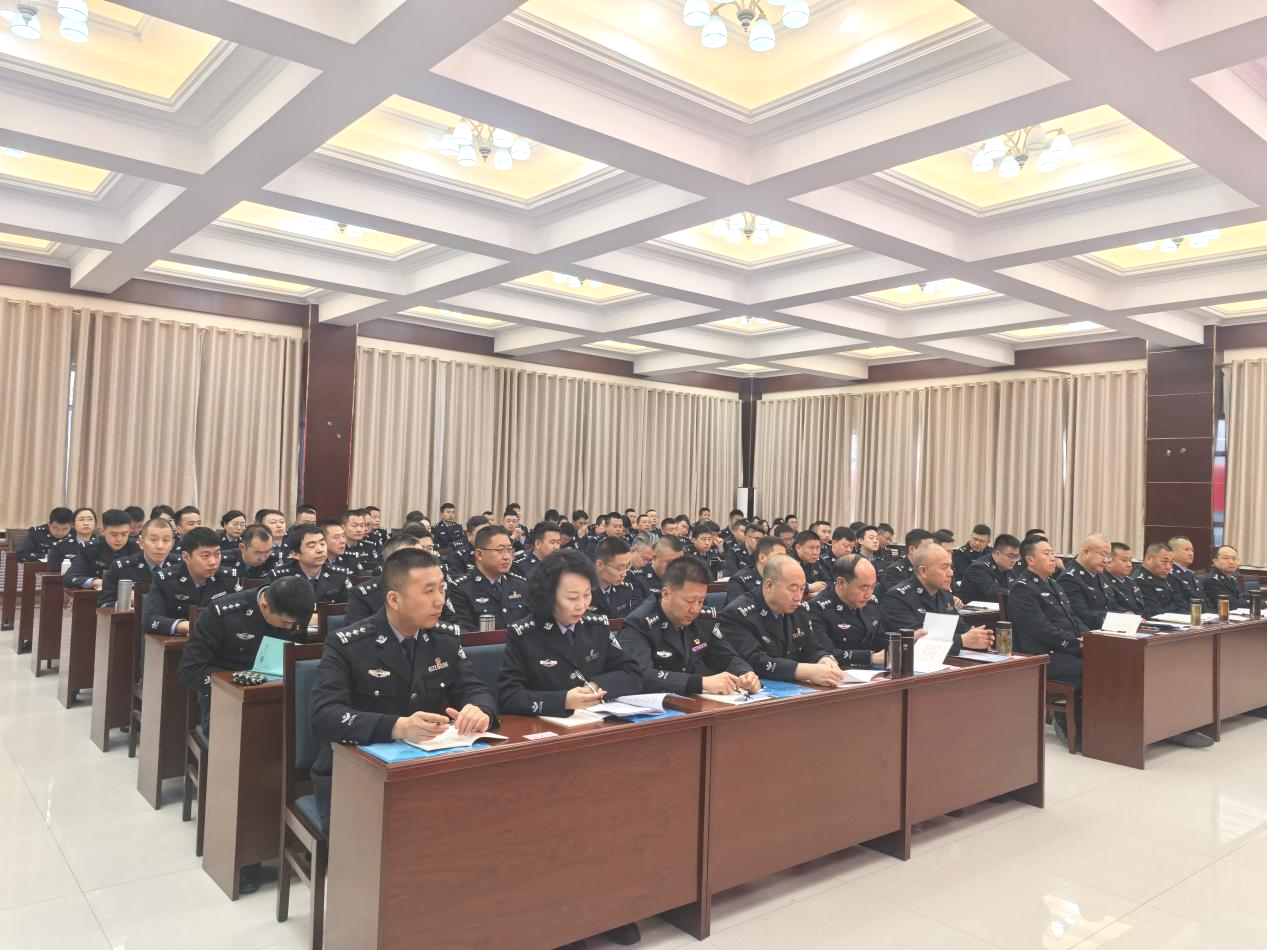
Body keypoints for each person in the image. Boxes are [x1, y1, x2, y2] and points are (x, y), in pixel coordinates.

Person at [310, 548, 497, 834]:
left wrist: (480, 710)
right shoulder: (347, 644)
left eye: (442, 588)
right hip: (355, 773)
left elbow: (475, 689)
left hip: (427, 769)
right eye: (428, 591)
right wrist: (398, 727)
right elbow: (324, 716)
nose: (440, 600)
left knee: (480, 816)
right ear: (394, 600)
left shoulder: (444, 639)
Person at [178, 575, 314, 894]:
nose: (288, 628)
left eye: (293, 624)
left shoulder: (295, 611)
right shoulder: (222, 613)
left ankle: (304, 839)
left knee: (315, 751)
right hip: (226, 705)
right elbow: (190, 670)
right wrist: (233, 684)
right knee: (251, 763)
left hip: (282, 702)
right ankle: (246, 855)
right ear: (264, 604)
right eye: (283, 622)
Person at [497, 548, 642, 716]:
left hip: (596, 721)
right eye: (572, 598)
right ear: (549, 596)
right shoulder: (524, 634)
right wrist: (563, 701)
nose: (581, 605)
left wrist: (595, 686)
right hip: (548, 725)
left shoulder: (597, 627)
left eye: (587, 595)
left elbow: (632, 673)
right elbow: (509, 697)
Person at [620, 556, 760, 694]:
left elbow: (726, 657)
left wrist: (744, 673)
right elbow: (640, 675)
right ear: (666, 594)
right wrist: (700, 683)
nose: (695, 609)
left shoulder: (704, 618)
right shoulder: (639, 624)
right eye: (689, 601)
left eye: (701, 601)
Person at [1006, 539, 1086, 743]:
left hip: (1065, 648)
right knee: (1089, 668)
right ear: (1030, 560)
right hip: (1043, 655)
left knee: (1106, 661)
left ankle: (1099, 726)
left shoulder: (1053, 584)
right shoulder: (1022, 589)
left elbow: (1072, 617)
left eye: (1052, 553)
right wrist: (1075, 644)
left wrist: (1089, 637)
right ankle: (1071, 726)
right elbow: (1041, 630)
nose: (1053, 558)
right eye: (1046, 554)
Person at [719, 555, 842, 686]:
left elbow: (812, 648)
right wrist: (803, 671)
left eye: (802, 589)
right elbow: (754, 661)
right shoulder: (738, 613)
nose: (798, 597)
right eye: (793, 589)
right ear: (769, 586)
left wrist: (824, 658)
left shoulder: (799, 610)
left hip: (797, 689)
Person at [880, 545, 995, 654]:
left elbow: (959, 627)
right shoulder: (897, 598)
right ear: (923, 571)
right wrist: (962, 640)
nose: (951, 573)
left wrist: (978, 637)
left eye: (951, 567)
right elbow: (914, 641)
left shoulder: (945, 595)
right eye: (944, 567)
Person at [141, 527, 243, 636]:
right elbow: (149, 621)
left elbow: (240, 616)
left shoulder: (228, 578)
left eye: (217, 554)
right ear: (186, 557)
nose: (213, 562)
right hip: (180, 642)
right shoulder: (166, 581)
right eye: (205, 556)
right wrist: (186, 626)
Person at [808, 554, 892, 668]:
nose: (868, 594)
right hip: (839, 671)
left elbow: (880, 638)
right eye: (864, 587)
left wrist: (899, 645)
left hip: (871, 672)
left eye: (872, 587)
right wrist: (871, 657)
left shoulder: (870, 603)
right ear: (841, 583)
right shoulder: (818, 608)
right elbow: (825, 653)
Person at [448, 525, 532, 631]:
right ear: (479, 554)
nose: (507, 557)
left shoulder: (521, 584)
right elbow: (466, 633)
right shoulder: (460, 589)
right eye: (500, 550)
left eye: (510, 550)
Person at [346, 534, 433, 623]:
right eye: (411, 559)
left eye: (422, 557)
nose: (421, 563)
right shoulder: (363, 596)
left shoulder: (433, 587)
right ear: (390, 563)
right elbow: (359, 629)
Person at [99, 517, 178, 607]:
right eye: (153, 540)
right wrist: (126, 602)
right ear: (141, 543)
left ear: (172, 544)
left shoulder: (181, 566)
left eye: (166, 540)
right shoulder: (122, 568)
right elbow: (103, 605)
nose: (160, 546)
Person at [269, 524, 352, 604]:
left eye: (322, 544)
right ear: (295, 554)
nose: (320, 550)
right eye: (312, 546)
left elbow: (349, 608)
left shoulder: (339, 575)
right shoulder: (279, 577)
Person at [65, 508, 138, 591]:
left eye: (124, 534)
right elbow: (69, 578)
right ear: (103, 531)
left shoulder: (137, 548)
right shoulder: (89, 549)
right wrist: (96, 582)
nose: (119, 539)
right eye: (114, 534)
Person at [1057, 534, 1114, 631]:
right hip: (1088, 633)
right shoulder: (1069, 578)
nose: (1106, 560)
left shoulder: (1100, 575)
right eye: (1102, 555)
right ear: (1086, 552)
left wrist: (1127, 616)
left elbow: (1113, 605)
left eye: (1108, 556)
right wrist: (1114, 619)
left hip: (1108, 629)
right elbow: (1080, 614)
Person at [959, 534, 1021, 604]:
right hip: (974, 610)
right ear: (997, 553)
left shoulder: (1008, 567)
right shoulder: (978, 568)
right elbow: (994, 593)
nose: (1014, 561)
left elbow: (1016, 588)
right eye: (1011, 556)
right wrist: (1019, 596)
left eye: (1017, 556)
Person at [590, 537, 642, 619]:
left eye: (627, 566)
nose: (624, 574)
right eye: (620, 568)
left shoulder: (624, 590)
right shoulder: (584, 591)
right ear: (600, 565)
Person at [726, 535, 786, 604]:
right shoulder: (740, 581)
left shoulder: (784, 579)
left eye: (785, 557)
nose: (784, 561)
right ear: (762, 558)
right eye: (779, 556)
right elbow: (737, 608)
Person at [877, 528, 934, 597]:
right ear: (912, 549)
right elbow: (900, 598)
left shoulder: (926, 569)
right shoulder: (894, 571)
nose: (931, 553)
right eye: (927, 549)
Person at [1133, 543, 1185, 616]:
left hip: (1179, 618)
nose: (1168, 567)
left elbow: (1182, 603)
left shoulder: (1171, 577)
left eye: (1171, 562)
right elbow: (1154, 612)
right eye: (1164, 562)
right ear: (1149, 559)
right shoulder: (1140, 580)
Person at [631, 533, 686, 600]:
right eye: (670, 562)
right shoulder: (638, 579)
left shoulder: (684, 578)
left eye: (679, 562)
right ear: (654, 557)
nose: (675, 567)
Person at [1105, 542, 1147, 614]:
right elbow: (1114, 610)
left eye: (1130, 560)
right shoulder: (1104, 582)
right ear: (1109, 562)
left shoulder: (1130, 581)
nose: (1129, 565)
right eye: (1124, 560)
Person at [1204, 545, 1249, 610]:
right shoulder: (1211, 580)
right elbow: (1229, 603)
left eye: (1234, 558)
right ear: (1215, 561)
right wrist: (1257, 603)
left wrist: (1259, 601)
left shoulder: (1234, 577)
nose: (1231, 562)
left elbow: (1242, 596)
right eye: (1226, 558)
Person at [443, 515, 487, 581]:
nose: (486, 536)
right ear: (470, 536)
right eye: (481, 533)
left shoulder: (495, 552)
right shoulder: (460, 556)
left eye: (489, 532)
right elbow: (457, 582)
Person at [1166, 535, 1204, 606]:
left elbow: (1204, 599)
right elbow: (1180, 602)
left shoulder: (1191, 574)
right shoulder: (1169, 573)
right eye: (1186, 549)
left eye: (1192, 550)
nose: (1191, 553)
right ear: (1172, 552)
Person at [792, 530, 830, 596]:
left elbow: (828, 581)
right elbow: (788, 585)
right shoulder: (789, 562)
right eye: (811, 548)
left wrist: (823, 585)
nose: (815, 552)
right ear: (798, 548)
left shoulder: (814, 560)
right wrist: (809, 587)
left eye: (818, 548)